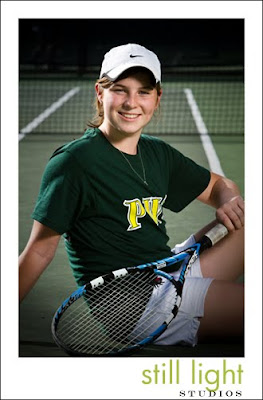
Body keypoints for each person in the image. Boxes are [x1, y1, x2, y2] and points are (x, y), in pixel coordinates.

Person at [19, 43, 244, 347]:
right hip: (137, 307)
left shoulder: (157, 153)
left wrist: (228, 200)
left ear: (157, 97)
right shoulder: (74, 163)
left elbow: (219, 185)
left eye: (143, 92)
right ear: (100, 92)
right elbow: (39, 251)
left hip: (165, 270)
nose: (131, 102)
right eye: (120, 90)